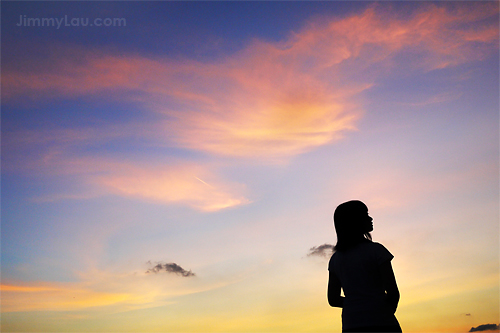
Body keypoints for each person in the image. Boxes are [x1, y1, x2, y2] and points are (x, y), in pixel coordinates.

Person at [327, 200, 402, 333]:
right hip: (383, 322)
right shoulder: (376, 251)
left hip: (352, 324)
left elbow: (333, 299)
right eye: (365, 214)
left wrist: (355, 304)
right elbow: (393, 292)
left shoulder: (335, 259)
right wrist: (385, 310)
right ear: (356, 221)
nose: (370, 218)